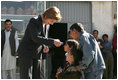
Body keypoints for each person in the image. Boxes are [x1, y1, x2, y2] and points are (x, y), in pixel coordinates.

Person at [17, 6, 62, 79]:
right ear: (47, 16)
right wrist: (53, 41)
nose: (52, 24)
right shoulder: (34, 21)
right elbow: (35, 38)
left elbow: (43, 39)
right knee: (27, 77)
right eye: (52, 21)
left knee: (38, 77)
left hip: (37, 54)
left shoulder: (47, 25)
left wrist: (44, 47)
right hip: (26, 53)